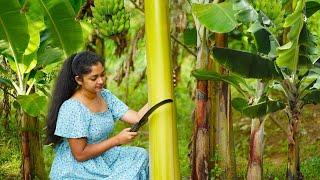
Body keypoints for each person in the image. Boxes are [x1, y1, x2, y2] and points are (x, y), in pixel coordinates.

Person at [46, 51, 149, 179]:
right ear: (79, 80)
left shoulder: (105, 95)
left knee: (140, 156)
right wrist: (117, 139)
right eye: (94, 78)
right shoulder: (72, 108)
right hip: (78, 168)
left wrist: (161, 91)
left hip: (103, 157)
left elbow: (137, 118)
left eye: (103, 75)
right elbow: (80, 155)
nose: (101, 81)